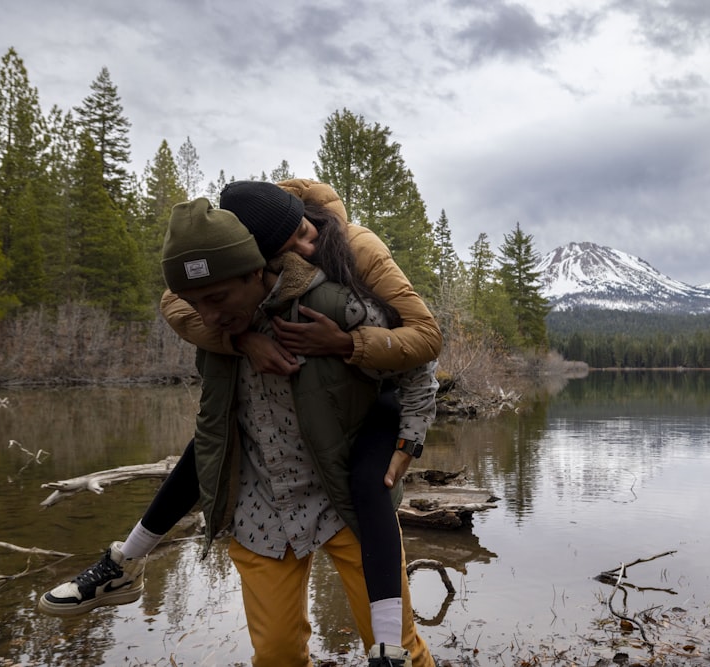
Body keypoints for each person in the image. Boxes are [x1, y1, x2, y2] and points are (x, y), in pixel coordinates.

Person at [39, 183, 440, 667]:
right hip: (263, 507)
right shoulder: (218, 320)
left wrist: (403, 429)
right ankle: (125, 563)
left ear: (262, 268)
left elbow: (420, 356)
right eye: (199, 302)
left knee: (398, 647)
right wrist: (239, 338)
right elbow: (181, 308)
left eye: (218, 299)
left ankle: (389, 654)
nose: (208, 316)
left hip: (343, 496)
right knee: (275, 656)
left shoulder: (340, 287)